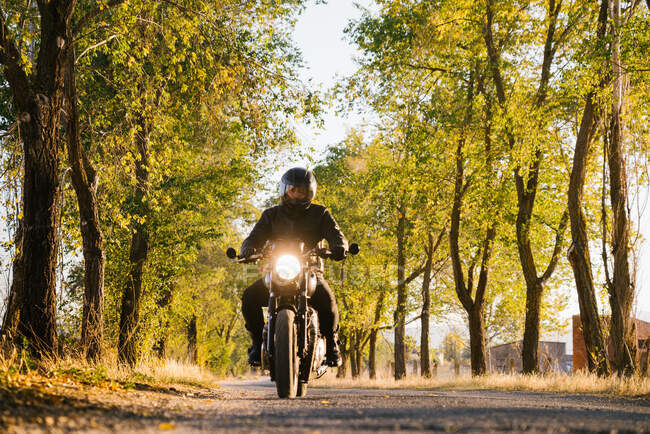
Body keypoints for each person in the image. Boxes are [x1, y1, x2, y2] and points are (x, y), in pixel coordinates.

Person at [240, 167, 348, 367]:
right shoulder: (271, 215)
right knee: (249, 297)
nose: (298, 195)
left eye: (302, 191)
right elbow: (254, 237)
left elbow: (336, 234)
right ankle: (257, 342)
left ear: (310, 192)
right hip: (277, 270)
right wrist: (248, 249)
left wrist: (340, 246)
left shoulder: (320, 213)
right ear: (285, 190)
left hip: (310, 270)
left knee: (327, 300)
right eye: (294, 190)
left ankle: (332, 344)